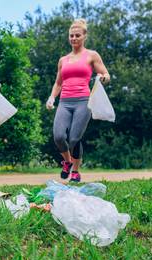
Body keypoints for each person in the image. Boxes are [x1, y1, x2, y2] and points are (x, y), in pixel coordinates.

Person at [46, 19, 110, 182]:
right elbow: (58, 82)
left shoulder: (92, 55)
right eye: (71, 36)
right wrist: (52, 97)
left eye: (77, 35)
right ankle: (67, 162)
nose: (74, 38)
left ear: (84, 36)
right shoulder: (63, 60)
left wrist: (103, 77)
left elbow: (106, 74)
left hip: (83, 101)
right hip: (65, 102)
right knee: (59, 136)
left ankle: (75, 170)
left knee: (74, 138)